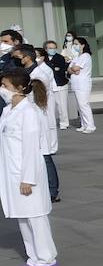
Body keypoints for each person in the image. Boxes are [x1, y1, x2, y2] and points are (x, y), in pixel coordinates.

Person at [0, 72, 57, 266]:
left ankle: (47, 258)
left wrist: (28, 179)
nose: (2, 89)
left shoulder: (29, 113)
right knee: (23, 217)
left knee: (35, 217)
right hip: (11, 172)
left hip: (26, 173)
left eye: (4, 85)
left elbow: (32, 149)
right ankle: (34, 257)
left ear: (20, 87)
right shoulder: (8, 110)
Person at [10, 46, 59, 202]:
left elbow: (40, 101)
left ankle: (52, 191)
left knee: (45, 156)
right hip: (28, 118)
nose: (15, 60)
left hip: (38, 119)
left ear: (26, 58)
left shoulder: (39, 75)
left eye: (17, 57)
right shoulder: (25, 74)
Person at [66, 36, 95, 133]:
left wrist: (73, 68)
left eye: (76, 44)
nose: (74, 46)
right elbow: (69, 69)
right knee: (79, 106)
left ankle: (90, 126)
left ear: (83, 45)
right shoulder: (77, 57)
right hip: (76, 84)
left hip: (83, 84)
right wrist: (73, 69)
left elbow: (75, 68)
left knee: (84, 105)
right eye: (74, 44)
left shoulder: (85, 56)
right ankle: (84, 125)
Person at [40, 41, 69, 130]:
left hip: (60, 85)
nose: (52, 50)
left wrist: (54, 68)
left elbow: (60, 70)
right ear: (45, 49)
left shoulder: (59, 58)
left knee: (62, 106)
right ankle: (50, 123)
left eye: (54, 48)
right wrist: (54, 68)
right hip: (48, 86)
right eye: (50, 48)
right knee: (49, 107)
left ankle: (64, 123)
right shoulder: (43, 58)